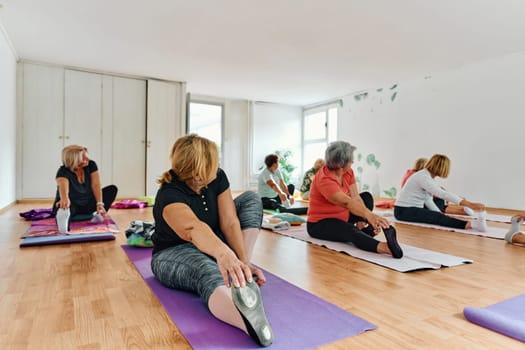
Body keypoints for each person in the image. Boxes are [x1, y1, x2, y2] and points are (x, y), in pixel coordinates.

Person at [150, 134, 273, 347]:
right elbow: (193, 229)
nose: (218, 166)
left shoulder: (216, 178)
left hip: (213, 243)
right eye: (215, 161)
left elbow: (230, 222)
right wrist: (224, 254)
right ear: (199, 169)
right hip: (175, 253)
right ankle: (246, 322)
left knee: (251, 200)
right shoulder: (169, 195)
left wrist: (243, 262)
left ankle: (240, 277)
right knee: (205, 269)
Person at [306, 141, 403, 259]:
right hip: (320, 224)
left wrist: (364, 218)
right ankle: (384, 247)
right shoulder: (324, 180)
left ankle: (362, 232)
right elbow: (347, 202)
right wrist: (370, 216)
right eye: (351, 160)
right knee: (349, 230)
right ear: (341, 165)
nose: (353, 162)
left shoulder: (348, 172)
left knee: (366, 197)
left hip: (344, 216)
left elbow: (355, 197)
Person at [394, 154, 487, 231]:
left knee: (438, 216)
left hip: (409, 209)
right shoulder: (423, 177)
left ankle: (472, 224)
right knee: (437, 217)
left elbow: (428, 200)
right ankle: (473, 225)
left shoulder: (427, 177)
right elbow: (442, 194)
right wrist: (469, 204)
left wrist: (440, 214)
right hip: (404, 211)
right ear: (442, 167)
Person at [53, 145, 118, 233]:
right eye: (83, 158)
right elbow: (63, 186)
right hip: (72, 205)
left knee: (112, 189)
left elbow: (96, 185)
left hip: (88, 204)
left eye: (86, 156)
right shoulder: (63, 171)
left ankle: (97, 214)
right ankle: (64, 225)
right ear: (74, 160)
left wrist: (99, 203)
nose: (87, 159)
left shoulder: (91, 165)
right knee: (63, 207)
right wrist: (64, 198)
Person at [401, 157, 474, 216]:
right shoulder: (419, 176)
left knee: (438, 201)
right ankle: (461, 211)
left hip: (420, 201)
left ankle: (462, 210)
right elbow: (432, 193)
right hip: (415, 204)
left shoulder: (416, 174)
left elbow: (432, 190)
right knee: (439, 201)